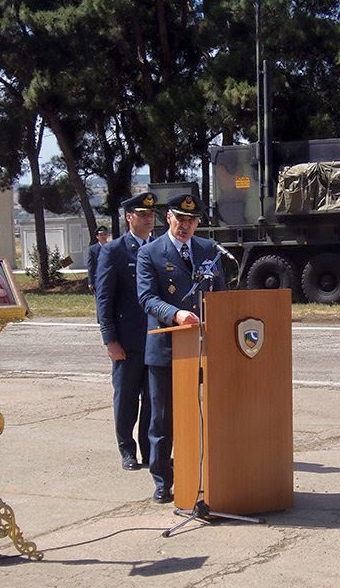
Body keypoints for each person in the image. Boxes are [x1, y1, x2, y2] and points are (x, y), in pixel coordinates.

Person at [136, 193, 225, 504]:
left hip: (204, 347)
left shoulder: (208, 249)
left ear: (198, 222)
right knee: (162, 419)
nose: (185, 226)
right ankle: (163, 479)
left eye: (192, 221)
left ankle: (206, 473)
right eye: (180, 219)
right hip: (166, 347)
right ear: (168, 218)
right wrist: (176, 314)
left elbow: (221, 294)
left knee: (206, 414)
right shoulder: (150, 253)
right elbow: (147, 298)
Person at [94, 192, 157, 472]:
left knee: (154, 400)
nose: (148, 218)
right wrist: (110, 338)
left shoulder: (159, 247)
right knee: (127, 397)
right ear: (128, 217)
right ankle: (127, 450)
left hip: (157, 339)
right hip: (127, 339)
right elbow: (104, 297)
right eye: (142, 213)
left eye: (151, 214)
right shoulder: (114, 251)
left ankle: (151, 450)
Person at [86, 225, 110, 294]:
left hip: (110, 278)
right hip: (98, 279)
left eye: (105, 234)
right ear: (97, 236)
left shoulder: (111, 247)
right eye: (101, 234)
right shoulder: (93, 249)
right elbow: (91, 266)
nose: (103, 236)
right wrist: (90, 282)